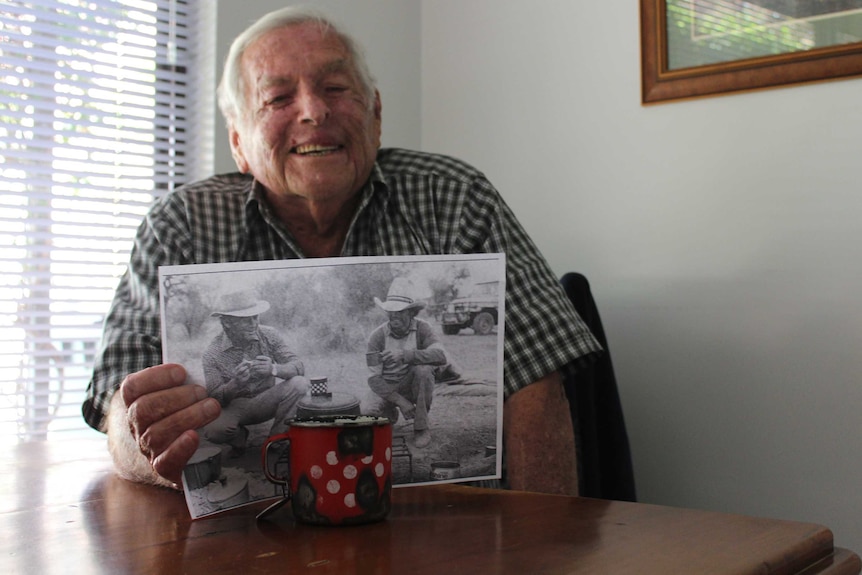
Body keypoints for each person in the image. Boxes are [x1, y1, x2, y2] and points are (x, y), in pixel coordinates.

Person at [82, 6, 601, 494]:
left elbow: (535, 380)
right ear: (238, 140)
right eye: (278, 98)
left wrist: (542, 546)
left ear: (375, 115)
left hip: (446, 538)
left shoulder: (455, 197)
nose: (314, 110)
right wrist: (145, 436)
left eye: (335, 87)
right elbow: (117, 403)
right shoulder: (182, 226)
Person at [200, 291, 309, 456]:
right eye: (245, 320)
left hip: (267, 399)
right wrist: (234, 384)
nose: (253, 324)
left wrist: (274, 369)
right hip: (235, 405)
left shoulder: (269, 334)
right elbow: (214, 398)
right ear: (228, 323)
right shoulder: (212, 353)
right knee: (214, 431)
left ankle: (277, 441)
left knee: (300, 383)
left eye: (255, 317)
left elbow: (298, 365)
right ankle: (239, 438)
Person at [364, 278, 448, 448]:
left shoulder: (423, 328)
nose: (394, 316)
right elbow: (373, 379)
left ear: (411, 312)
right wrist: (400, 401)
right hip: (386, 387)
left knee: (424, 370)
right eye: (391, 312)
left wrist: (405, 355)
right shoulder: (377, 336)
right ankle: (389, 411)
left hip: (411, 384)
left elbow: (440, 355)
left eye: (400, 312)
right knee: (366, 414)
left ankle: (421, 427)